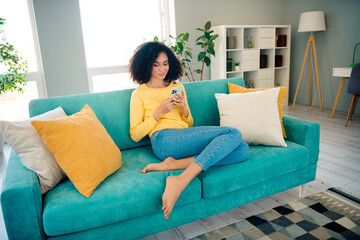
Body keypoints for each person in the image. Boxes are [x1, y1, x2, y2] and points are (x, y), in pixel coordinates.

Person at [129, 41, 250, 220]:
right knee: (233, 133)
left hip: (182, 140)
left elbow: (189, 123)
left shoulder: (177, 87)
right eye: (156, 64)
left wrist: (184, 107)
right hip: (163, 140)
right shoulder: (139, 93)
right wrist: (158, 113)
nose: (162, 69)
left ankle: (174, 165)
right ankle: (180, 180)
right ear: (146, 65)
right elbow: (135, 134)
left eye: (165, 63)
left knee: (243, 149)